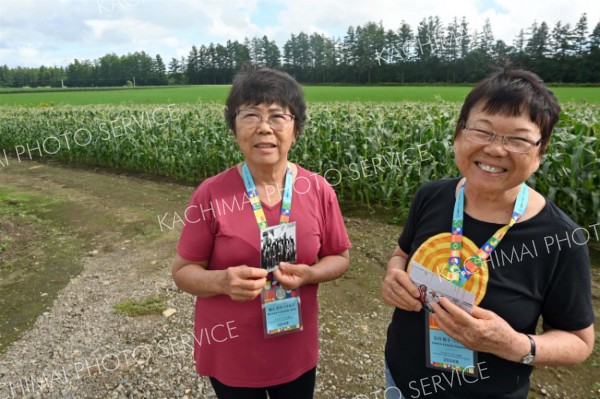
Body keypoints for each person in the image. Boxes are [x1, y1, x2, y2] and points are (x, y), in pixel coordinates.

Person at [381, 68, 594, 399]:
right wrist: (394, 274)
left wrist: (513, 344)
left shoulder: (561, 239)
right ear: (458, 134)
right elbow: (401, 253)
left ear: (540, 152)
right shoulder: (431, 195)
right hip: (401, 379)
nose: (495, 149)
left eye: (518, 139)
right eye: (483, 131)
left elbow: (579, 342)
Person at [172, 67, 351, 399]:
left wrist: (310, 274)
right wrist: (221, 281)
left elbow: (339, 257)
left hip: (293, 347)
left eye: (277, 116)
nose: (264, 127)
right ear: (235, 128)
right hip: (231, 352)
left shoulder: (317, 189)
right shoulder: (211, 194)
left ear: (295, 130)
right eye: (251, 115)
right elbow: (183, 273)